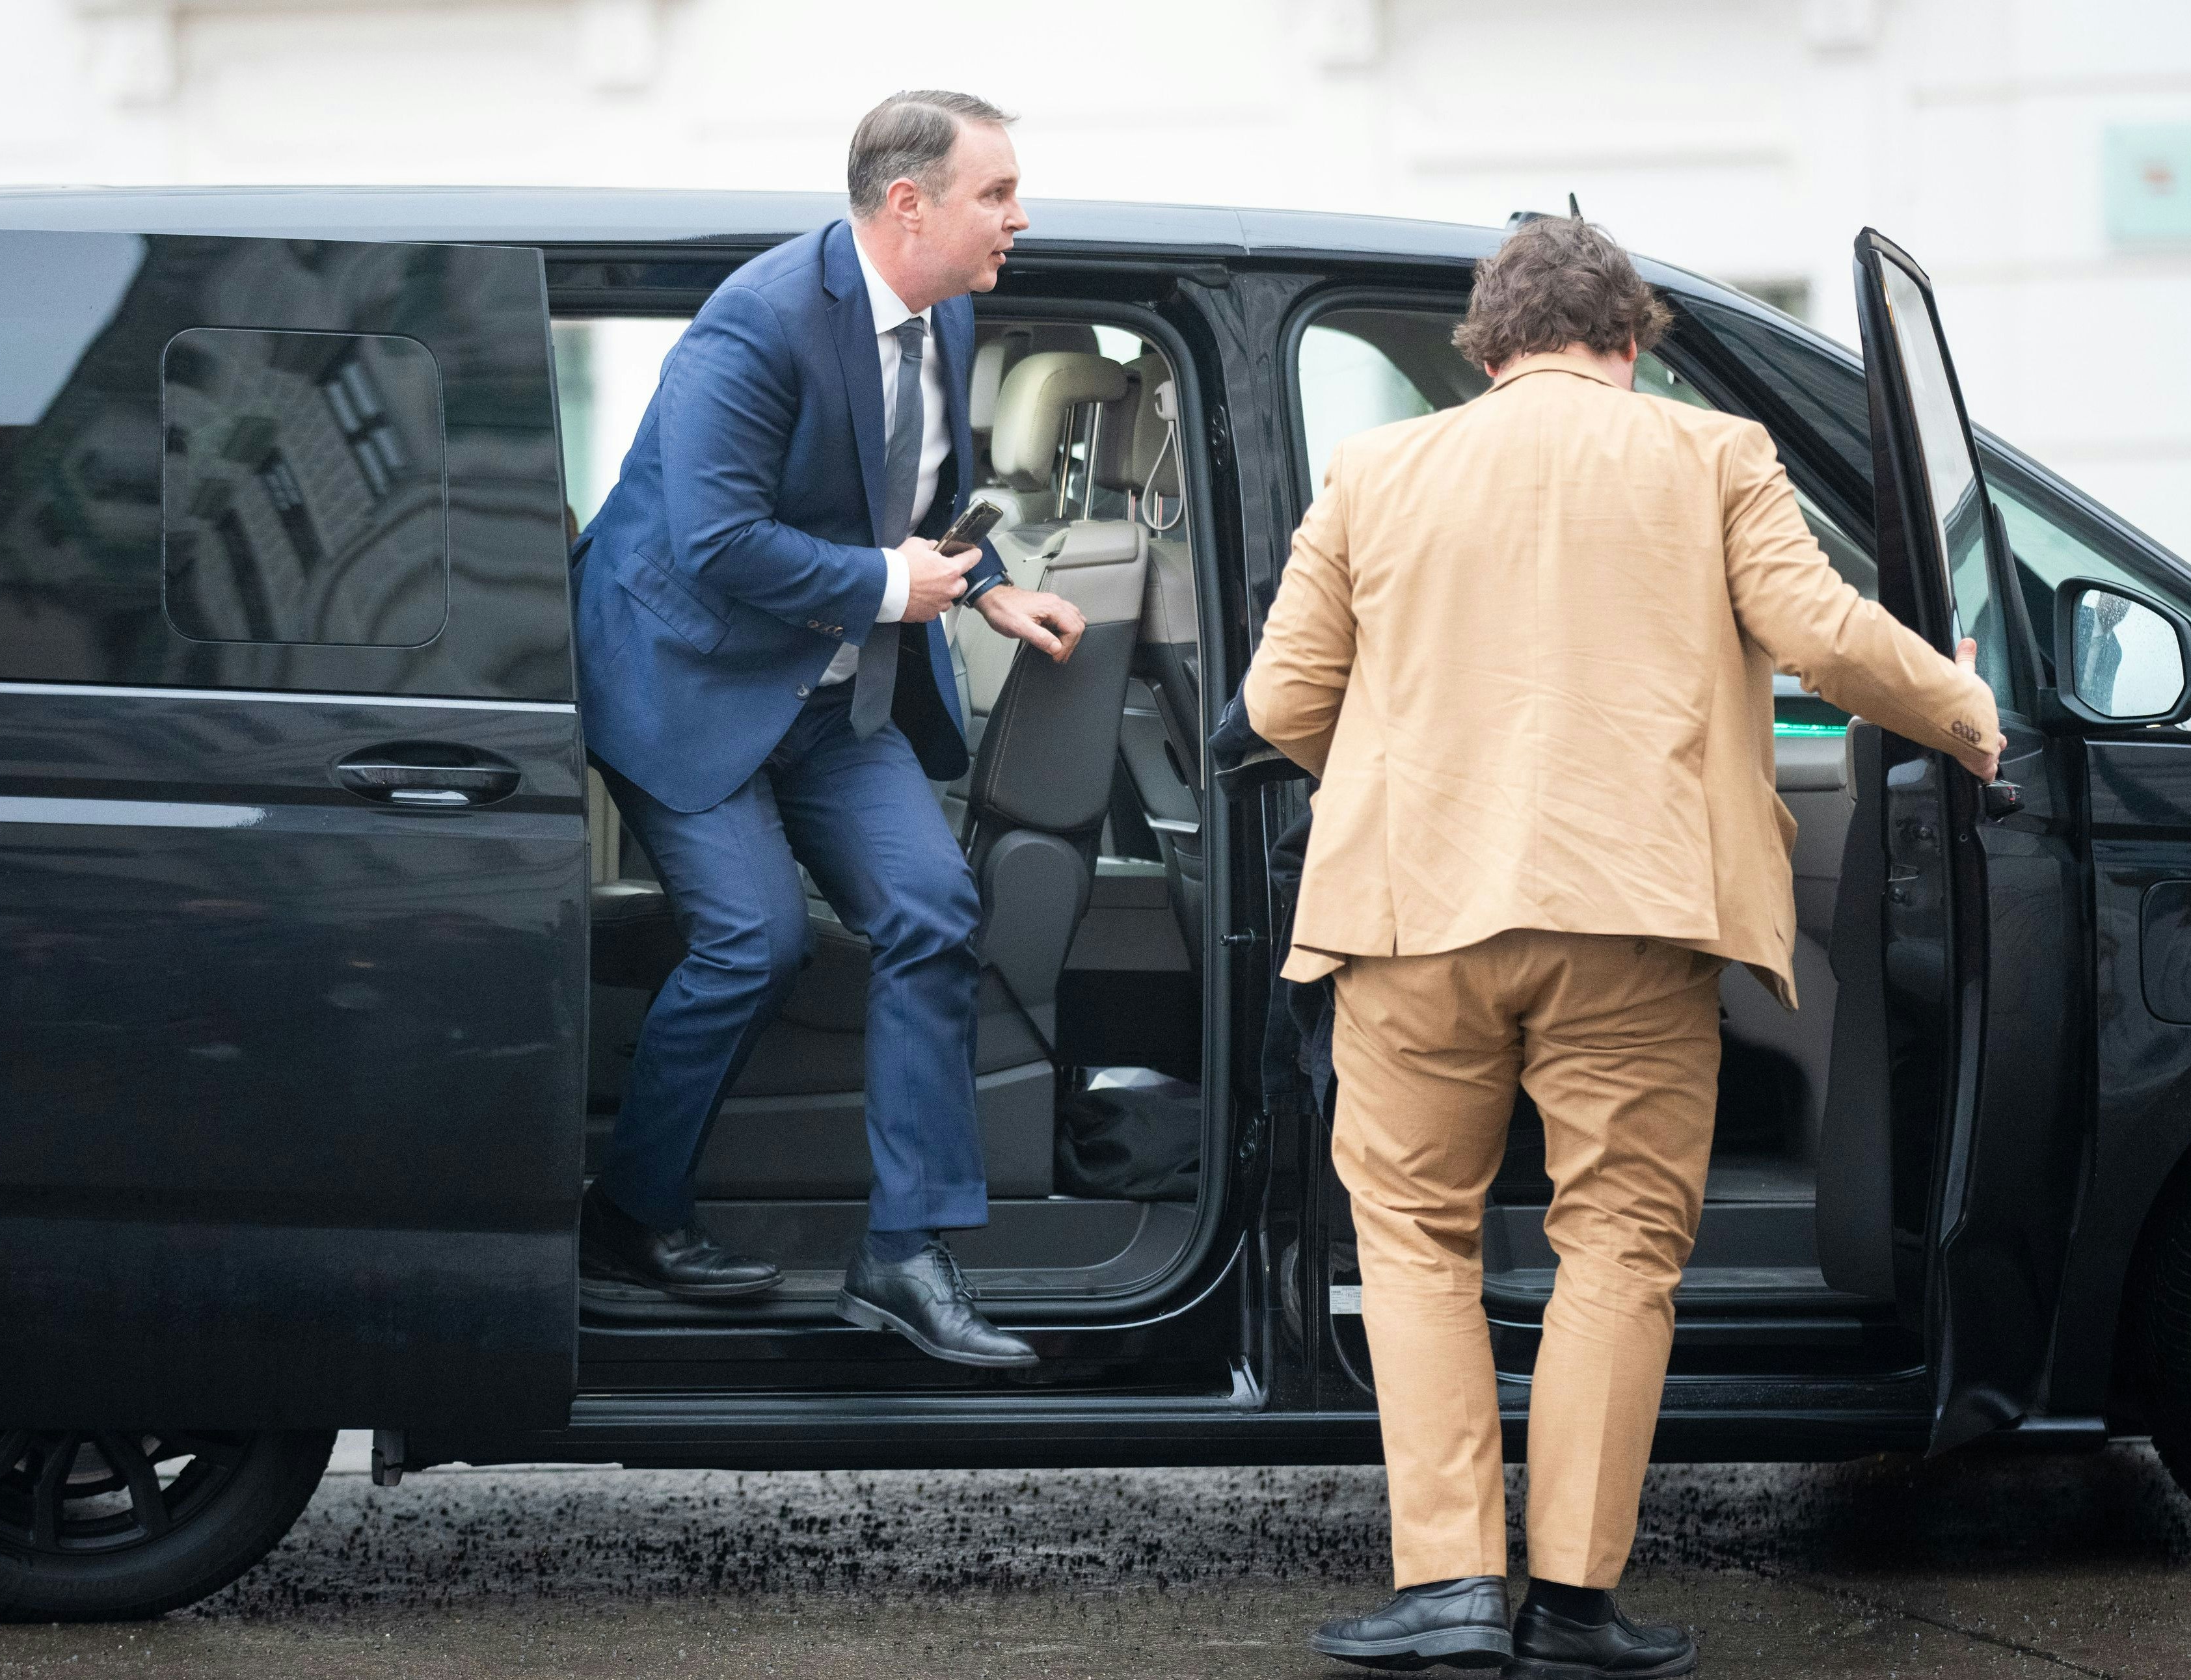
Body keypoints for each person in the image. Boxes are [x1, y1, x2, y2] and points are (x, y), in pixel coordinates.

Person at [1248, 216, 2003, 1674]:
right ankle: (1576, 1603)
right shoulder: (1715, 455)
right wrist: (1965, 712)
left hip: (1409, 919)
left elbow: (1286, 708)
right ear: (1632, 339)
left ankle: (1449, 1584)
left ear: (1484, 347)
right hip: (1637, 915)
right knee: (1618, 1246)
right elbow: (1826, 633)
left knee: (1414, 1241)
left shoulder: (1379, 468)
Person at [570, 90, 1086, 1368]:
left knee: (934, 908)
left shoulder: (948, 309)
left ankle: (903, 1253)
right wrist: (882, 587)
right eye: (997, 193)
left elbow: (922, 490)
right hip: (686, 674)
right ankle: (627, 1216)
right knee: (753, 939)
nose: (1020, 216)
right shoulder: (757, 325)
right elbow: (715, 538)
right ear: (908, 204)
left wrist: (985, 581)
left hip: (836, 694)